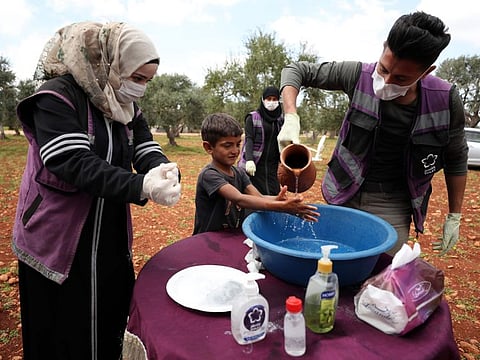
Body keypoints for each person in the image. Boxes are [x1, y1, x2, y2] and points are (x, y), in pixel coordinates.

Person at [12, 22, 181, 359]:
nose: (141, 89)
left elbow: (142, 145)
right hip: (59, 236)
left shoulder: (124, 103)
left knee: (108, 314)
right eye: (137, 77)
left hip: (108, 232)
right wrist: (141, 185)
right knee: (64, 328)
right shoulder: (57, 97)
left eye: (147, 81)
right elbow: (72, 162)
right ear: (110, 62)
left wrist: (160, 167)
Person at [278, 11, 468, 256]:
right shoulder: (357, 76)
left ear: (426, 72)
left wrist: (454, 215)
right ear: (383, 48)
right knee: (333, 259)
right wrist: (291, 115)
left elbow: (456, 158)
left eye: (400, 78)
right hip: (344, 191)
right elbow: (296, 71)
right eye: (384, 68)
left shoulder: (445, 99)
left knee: (380, 271)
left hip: (393, 203)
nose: (386, 80)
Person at [193, 113, 319, 234]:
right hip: (207, 239)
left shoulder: (239, 172)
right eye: (227, 146)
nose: (235, 151)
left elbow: (258, 197)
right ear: (208, 147)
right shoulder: (209, 175)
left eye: (238, 144)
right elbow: (239, 199)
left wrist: (278, 200)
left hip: (231, 237)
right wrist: (282, 207)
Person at [238, 86, 284, 195]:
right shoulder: (253, 117)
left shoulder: (280, 119)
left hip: (272, 165)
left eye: (274, 99)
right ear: (263, 100)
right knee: (255, 195)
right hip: (255, 164)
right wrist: (249, 160)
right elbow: (249, 139)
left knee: (273, 193)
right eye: (268, 99)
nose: (271, 102)